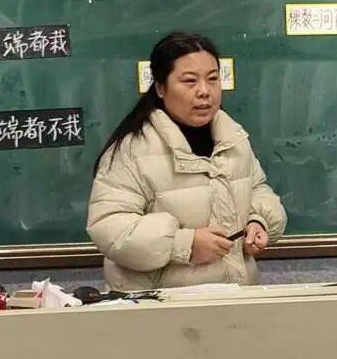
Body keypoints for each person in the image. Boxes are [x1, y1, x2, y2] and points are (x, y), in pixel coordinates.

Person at [87, 31, 287, 290]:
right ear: (160, 88)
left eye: (213, 79)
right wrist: (184, 244)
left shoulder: (232, 138)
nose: (205, 91)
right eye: (190, 81)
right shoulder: (133, 150)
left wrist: (258, 221)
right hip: (162, 304)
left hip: (234, 297)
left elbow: (257, 189)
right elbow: (110, 228)